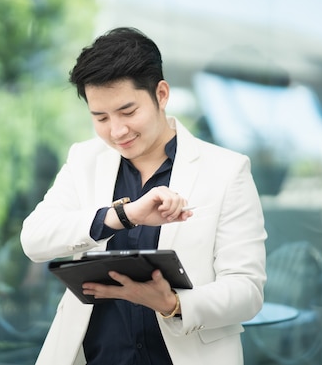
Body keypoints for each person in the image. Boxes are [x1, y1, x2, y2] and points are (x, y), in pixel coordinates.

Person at [20, 27, 267, 365]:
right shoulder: (84, 159)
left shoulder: (226, 171)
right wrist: (123, 216)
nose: (117, 130)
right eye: (101, 117)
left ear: (161, 94)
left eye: (128, 111)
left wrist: (173, 304)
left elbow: (246, 291)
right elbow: (34, 240)